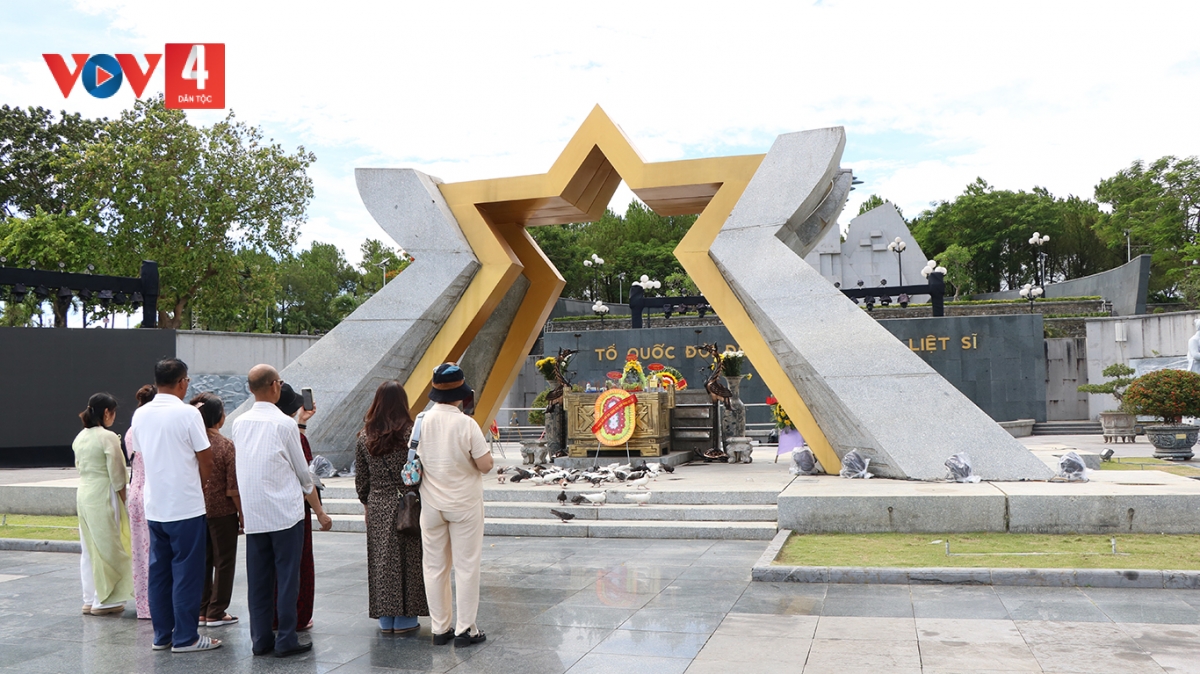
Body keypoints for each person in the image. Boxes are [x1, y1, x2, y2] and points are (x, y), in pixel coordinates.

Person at [232, 365, 332, 658]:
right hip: (285, 514)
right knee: (288, 578)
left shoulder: (239, 423)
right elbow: (303, 473)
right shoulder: (284, 424)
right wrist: (318, 507)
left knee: (258, 581)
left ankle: (260, 639)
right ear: (274, 385)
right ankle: (286, 638)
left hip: (255, 513)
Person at [131, 358, 221, 653]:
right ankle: (185, 637)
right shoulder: (188, 414)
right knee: (187, 573)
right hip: (185, 506)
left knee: (159, 573)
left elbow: (143, 454)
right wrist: (198, 487)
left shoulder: (140, 414)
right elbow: (206, 459)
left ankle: (162, 636)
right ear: (182, 382)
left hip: (155, 505)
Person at [419, 363, 493, 647]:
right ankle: (465, 630)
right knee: (466, 566)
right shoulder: (466, 424)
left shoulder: (421, 422)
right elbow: (485, 465)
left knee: (434, 567)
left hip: (431, 505)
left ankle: (440, 629)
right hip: (464, 504)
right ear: (461, 394)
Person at [355, 380, 428, 634]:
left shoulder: (364, 437)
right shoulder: (411, 435)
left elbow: (362, 481)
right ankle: (407, 619)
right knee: (409, 560)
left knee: (382, 561)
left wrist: (367, 505)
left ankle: (386, 620)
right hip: (408, 504)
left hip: (377, 504)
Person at [73, 392, 133, 616]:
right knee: (108, 545)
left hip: (84, 493)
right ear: (107, 412)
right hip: (104, 493)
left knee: (89, 547)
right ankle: (104, 600)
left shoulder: (80, 437)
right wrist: (125, 501)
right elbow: (117, 475)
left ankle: (89, 598)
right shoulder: (107, 437)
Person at [191, 392, 242, 628]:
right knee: (224, 561)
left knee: (202, 560)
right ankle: (217, 610)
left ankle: (202, 609)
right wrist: (242, 514)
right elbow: (233, 487)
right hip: (223, 513)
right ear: (218, 417)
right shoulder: (225, 445)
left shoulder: (189, 444)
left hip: (196, 510)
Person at [272, 383, 316, 632]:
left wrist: (302, 423)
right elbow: (306, 479)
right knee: (298, 565)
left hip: (265, 510)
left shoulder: (259, 428)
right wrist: (321, 512)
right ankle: (298, 615)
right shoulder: (295, 437)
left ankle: (273, 617)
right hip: (294, 509)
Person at [124, 384, 156, 620]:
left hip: (135, 492)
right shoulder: (153, 429)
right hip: (153, 491)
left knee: (139, 551)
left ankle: (144, 605)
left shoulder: (131, 430)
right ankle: (158, 603)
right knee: (156, 550)